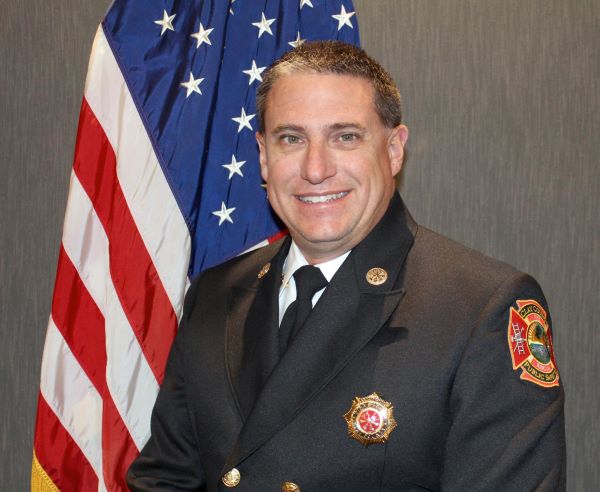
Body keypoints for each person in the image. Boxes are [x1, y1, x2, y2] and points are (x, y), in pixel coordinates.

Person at [127, 41, 565, 491]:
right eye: (291, 139)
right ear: (262, 154)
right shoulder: (216, 294)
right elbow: (166, 479)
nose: (315, 169)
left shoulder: (480, 308)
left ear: (394, 150)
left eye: (346, 137)